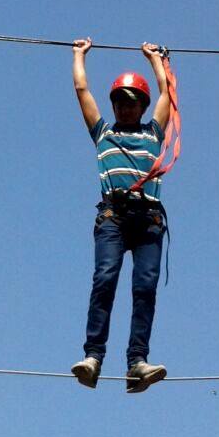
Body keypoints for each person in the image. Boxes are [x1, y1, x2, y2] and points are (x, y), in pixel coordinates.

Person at [69, 38, 172, 393]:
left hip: (148, 220)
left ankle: (137, 363)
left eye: (133, 103)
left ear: (141, 106)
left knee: (145, 287)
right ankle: (93, 356)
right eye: (120, 102)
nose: (126, 109)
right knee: (105, 278)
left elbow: (166, 95)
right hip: (113, 216)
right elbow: (82, 89)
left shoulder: (153, 134)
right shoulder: (103, 134)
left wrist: (155, 60)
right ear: (113, 104)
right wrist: (78, 55)